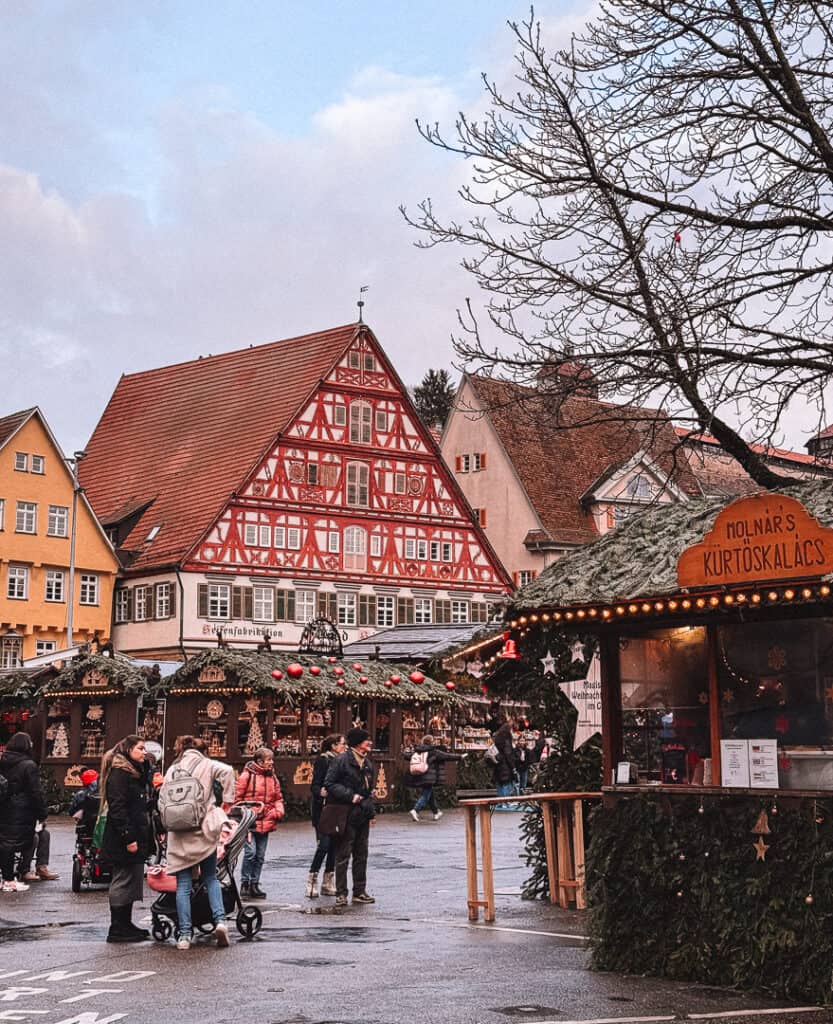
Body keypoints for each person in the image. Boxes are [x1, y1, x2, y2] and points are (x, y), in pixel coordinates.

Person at [163, 735, 235, 951]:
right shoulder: (207, 764)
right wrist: (227, 800)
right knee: (211, 878)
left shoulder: (172, 770)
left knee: (183, 886)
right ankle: (220, 921)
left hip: (178, 831)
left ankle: (185, 934)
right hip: (203, 828)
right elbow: (228, 772)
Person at [100, 735, 151, 941]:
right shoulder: (120, 774)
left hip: (135, 833)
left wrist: (146, 766)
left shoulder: (134, 772)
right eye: (140, 748)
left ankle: (126, 923)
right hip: (123, 837)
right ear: (128, 749)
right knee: (123, 879)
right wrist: (128, 837)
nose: (144, 751)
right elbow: (118, 808)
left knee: (132, 878)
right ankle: (118, 927)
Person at [324, 727, 376, 907]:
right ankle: (341, 893)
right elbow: (329, 783)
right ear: (357, 743)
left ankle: (359, 891)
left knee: (362, 854)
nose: (370, 742)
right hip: (345, 814)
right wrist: (349, 795)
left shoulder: (368, 764)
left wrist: (371, 813)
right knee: (343, 855)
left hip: (362, 814)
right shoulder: (341, 761)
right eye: (366, 740)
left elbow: (369, 792)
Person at [235, 746, 284, 899]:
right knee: (251, 853)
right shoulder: (246, 776)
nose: (271, 762)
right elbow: (237, 800)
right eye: (269, 760)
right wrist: (249, 812)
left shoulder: (272, 777)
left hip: (267, 820)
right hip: (250, 821)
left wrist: (278, 811)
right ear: (259, 761)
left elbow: (278, 798)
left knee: (260, 855)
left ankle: (255, 884)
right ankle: (245, 883)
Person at [0, 732, 47, 893]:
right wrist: (42, 813)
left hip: (4, 806)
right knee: (14, 843)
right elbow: (35, 792)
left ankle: (7, 877)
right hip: (21, 810)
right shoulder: (28, 765)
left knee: (5, 843)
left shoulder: (2, 761)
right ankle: (10, 879)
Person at [306, 733, 346, 898]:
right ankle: (312, 879)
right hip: (323, 809)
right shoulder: (324, 760)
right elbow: (315, 785)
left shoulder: (343, 762)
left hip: (337, 807)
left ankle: (328, 881)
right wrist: (320, 792)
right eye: (342, 744)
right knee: (324, 845)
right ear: (333, 746)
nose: (344, 747)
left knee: (334, 847)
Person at [404, 735, 463, 822]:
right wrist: (460, 757)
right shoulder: (433, 752)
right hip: (430, 777)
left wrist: (403, 754)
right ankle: (415, 810)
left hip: (420, 775)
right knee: (425, 795)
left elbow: (408, 756)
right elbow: (447, 756)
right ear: (431, 742)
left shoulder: (418, 751)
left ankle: (436, 812)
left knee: (429, 795)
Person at [492, 720, 517, 810]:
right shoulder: (507, 738)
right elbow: (508, 753)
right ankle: (506, 801)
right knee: (506, 782)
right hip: (505, 764)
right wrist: (513, 766)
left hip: (498, 763)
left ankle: (500, 801)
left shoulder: (498, 738)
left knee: (499, 783)